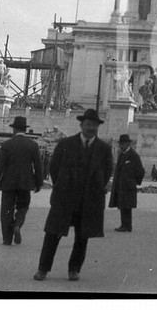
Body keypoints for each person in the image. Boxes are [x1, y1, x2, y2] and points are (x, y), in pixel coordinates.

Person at [33, 109, 113, 282]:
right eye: (88, 124)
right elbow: (54, 168)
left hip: (88, 201)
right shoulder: (65, 143)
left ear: (98, 127)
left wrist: (94, 188)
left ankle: (74, 269)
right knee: (52, 234)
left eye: (94, 125)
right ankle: (42, 269)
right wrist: (62, 186)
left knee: (82, 238)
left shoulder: (104, 149)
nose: (91, 128)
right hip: (65, 198)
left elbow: (107, 172)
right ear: (82, 125)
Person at [0, 116, 43, 246]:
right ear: (25, 129)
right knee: (23, 207)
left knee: (6, 211)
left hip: (8, 183)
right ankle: (17, 225)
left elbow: (0, 166)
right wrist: (38, 183)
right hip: (25, 183)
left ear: (14, 129)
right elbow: (38, 166)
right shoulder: (33, 145)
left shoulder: (7, 144)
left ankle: (7, 239)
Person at [108, 134, 145, 232]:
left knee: (127, 206)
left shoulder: (133, 155)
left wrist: (134, 181)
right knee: (122, 205)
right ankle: (124, 224)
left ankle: (127, 225)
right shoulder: (122, 154)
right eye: (120, 144)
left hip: (128, 185)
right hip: (121, 185)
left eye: (123, 144)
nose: (121, 146)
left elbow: (140, 170)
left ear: (128, 144)